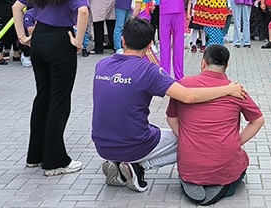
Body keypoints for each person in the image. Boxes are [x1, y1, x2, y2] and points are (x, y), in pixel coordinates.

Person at [91, 18, 247, 193]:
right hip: (135, 144)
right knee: (189, 139)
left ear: (122, 40)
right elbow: (188, 96)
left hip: (101, 145)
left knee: (146, 128)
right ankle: (138, 166)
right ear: (150, 44)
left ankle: (119, 165)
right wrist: (227, 89)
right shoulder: (149, 71)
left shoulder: (101, 65)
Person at [12, 0, 90, 176]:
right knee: (59, 100)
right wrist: (78, 40)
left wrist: (22, 37)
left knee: (43, 97)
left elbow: (17, 7)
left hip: (39, 40)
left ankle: (35, 155)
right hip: (61, 40)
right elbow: (83, 10)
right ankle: (55, 161)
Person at [166, 44, 264, 204]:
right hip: (225, 160)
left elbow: (171, 118)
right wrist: (236, 141)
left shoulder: (183, 86)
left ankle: (191, 181)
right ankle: (224, 185)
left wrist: (185, 137)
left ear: (203, 63)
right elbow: (258, 120)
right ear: (227, 65)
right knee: (242, 160)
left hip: (190, 164)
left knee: (192, 168)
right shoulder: (236, 91)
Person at [149, 0, 186, 80]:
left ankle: (165, 75)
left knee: (164, 43)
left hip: (165, 10)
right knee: (179, 43)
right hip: (179, 9)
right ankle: (179, 76)